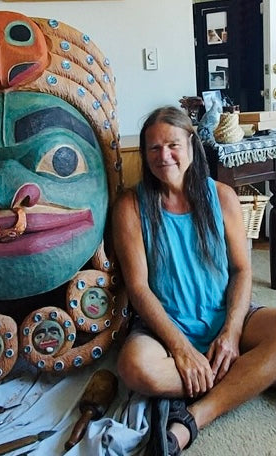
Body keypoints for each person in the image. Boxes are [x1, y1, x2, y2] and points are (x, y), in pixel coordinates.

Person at [112, 106, 276, 455]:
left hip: (228, 314)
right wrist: (181, 349)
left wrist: (231, 335)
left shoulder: (222, 196)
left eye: (172, 144)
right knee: (133, 369)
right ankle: (246, 377)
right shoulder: (130, 205)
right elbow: (138, 287)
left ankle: (194, 417)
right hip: (164, 326)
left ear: (190, 144)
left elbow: (243, 271)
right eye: (153, 148)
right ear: (144, 154)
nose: (164, 156)